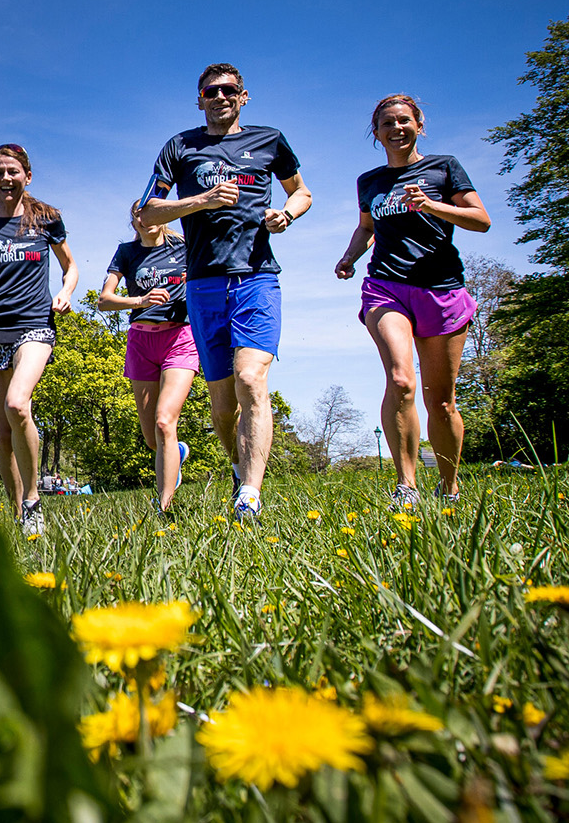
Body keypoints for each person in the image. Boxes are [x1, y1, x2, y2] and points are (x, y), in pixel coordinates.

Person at [140, 63, 310, 521]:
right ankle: (238, 468)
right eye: (210, 91)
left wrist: (288, 214)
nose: (220, 97)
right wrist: (202, 200)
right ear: (200, 100)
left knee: (251, 378)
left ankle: (250, 496)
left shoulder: (270, 140)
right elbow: (148, 212)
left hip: (257, 275)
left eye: (228, 90)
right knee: (221, 403)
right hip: (203, 283)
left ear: (243, 96)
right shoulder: (180, 146)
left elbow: (301, 192)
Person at [334, 94, 490, 505]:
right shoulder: (369, 182)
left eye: (404, 121)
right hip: (386, 286)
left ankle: (450, 486)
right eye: (387, 123)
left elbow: (481, 220)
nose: (397, 128)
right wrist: (351, 256)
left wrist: (433, 205)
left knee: (441, 400)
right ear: (377, 134)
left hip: (441, 289)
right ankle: (406, 487)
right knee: (402, 380)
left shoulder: (445, 167)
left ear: (419, 125)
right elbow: (366, 227)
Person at [0, 143, 79, 537]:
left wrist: (65, 292)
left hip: (35, 325)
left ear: (27, 175)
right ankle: (17, 514)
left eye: (13, 171)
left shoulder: (46, 219)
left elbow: (70, 266)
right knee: (3, 432)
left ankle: (32, 501)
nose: (6, 178)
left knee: (17, 404)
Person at [98, 204, 197, 514]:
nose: (146, 220)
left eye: (152, 213)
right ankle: (176, 454)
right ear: (133, 221)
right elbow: (104, 300)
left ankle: (163, 506)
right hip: (141, 340)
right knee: (153, 436)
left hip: (179, 337)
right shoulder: (126, 252)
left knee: (165, 420)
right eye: (139, 215)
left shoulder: (184, 245)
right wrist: (139, 300)